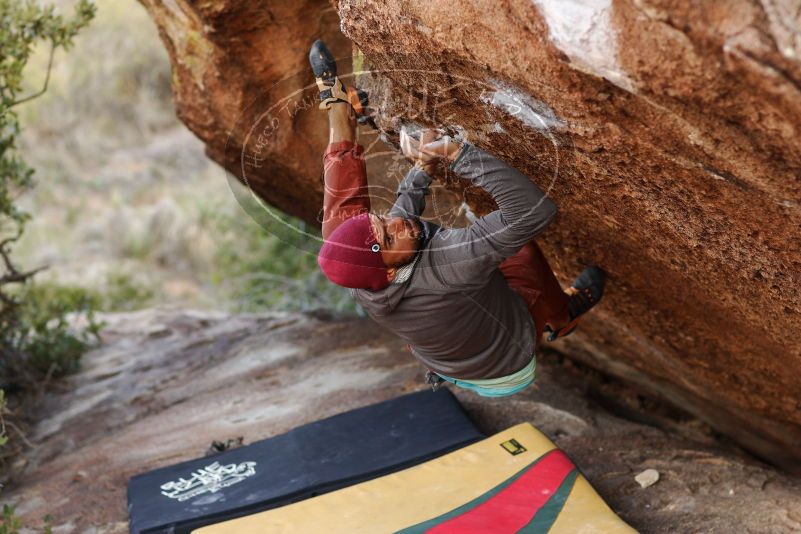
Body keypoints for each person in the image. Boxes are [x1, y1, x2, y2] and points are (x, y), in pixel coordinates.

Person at [310, 40, 605, 397]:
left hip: (445, 354)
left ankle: (338, 109)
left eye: (382, 219)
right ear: (388, 273)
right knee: (518, 250)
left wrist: (421, 170)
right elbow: (533, 210)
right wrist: (455, 152)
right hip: (504, 362)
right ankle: (561, 315)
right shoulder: (450, 264)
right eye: (388, 238)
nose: (396, 224)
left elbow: (390, 232)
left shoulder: (362, 275)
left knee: (341, 230)